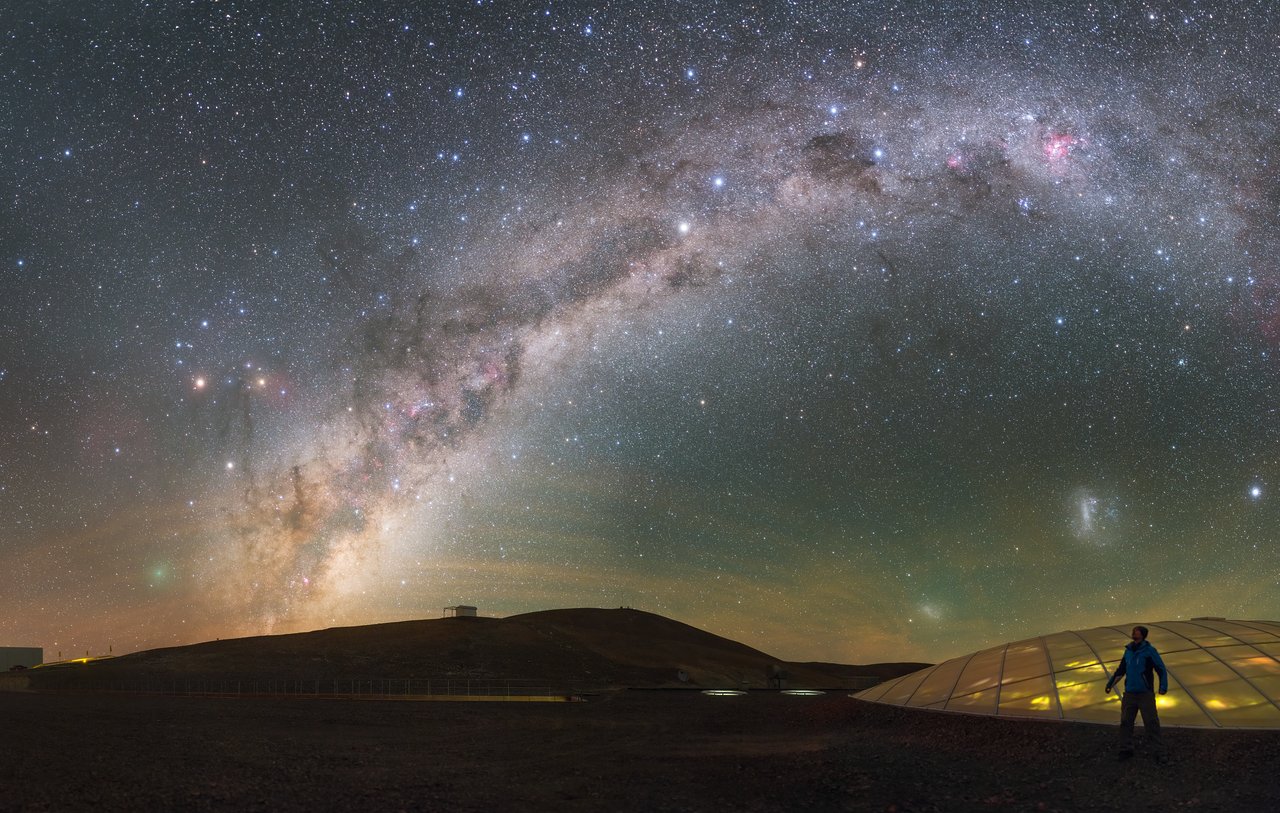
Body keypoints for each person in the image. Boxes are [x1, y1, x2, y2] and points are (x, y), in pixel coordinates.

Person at [1104, 625, 1168, 762]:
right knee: (1126, 722)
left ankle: (1159, 752)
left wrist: (1163, 686)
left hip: (1145, 693)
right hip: (1130, 694)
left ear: (1143, 635)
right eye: (1133, 631)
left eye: (1136, 631)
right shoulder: (1128, 651)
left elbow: (1160, 669)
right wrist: (1110, 684)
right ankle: (1125, 749)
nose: (1134, 633)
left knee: (1151, 722)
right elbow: (1121, 670)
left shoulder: (1149, 651)